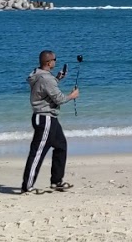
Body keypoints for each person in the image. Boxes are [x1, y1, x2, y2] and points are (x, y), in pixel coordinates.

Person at [20, 49, 79, 194]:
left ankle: (56, 182)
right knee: (38, 152)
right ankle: (27, 187)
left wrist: (58, 78)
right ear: (48, 62)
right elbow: (59, 99)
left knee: (61, 146)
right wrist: (72, 95)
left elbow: (46, 88)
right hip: (45, 118)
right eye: (54, 59)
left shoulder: (40, 75)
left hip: (50, 118)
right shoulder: (46, 79)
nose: (55, 61)